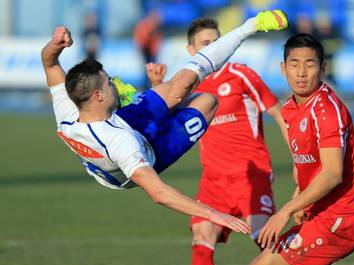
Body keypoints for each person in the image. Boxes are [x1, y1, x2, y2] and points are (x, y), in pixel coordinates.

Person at [40, 10, 288, 240]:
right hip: (146, 155)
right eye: (109, 83)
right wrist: (213, 214)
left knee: (182, 83)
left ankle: (250, 26)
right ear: (98, 96)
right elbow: (159, 193)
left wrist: (56, 43)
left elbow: (49, 62)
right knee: (208, 101)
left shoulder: (68, 109)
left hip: (123, 122)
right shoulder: (120, 143)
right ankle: (163, 104)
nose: (114, 83)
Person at [250, 33, 354, 265]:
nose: (302, 72)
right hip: (321, 212)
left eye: (310, 64)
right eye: (294, 64)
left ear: (323, 68)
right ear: (283, 68)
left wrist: (286, 210)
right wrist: (301, 197)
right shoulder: (290, 110)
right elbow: (309, 163)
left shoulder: (325, 110)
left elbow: (332, 173)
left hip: (342, 218)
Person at [184, 18, 288, 265]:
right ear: (191, 50)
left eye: (216, 42)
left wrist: (300, 160)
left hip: (250, 175)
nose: (213, 48)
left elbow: (278, 113)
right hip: (213, 181)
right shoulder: (190, 85)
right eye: (206, 44)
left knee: (266, 238)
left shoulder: (241, 75)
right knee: (202, 238)